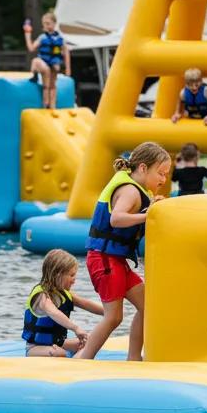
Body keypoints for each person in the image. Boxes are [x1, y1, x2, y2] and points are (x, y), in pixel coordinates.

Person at [77, 141, 171, 361]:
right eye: (161, 173)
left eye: (166, 175)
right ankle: (83, 360)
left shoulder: (138, 190)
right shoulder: (129, 190)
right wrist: (148, 216)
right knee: (113, 317)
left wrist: (152, 207)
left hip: (116, 260)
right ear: (142, 168)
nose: (163, 179)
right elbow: (116, 218)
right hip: (104, 259)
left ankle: (133, 358)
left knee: (148, 305)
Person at [21, 249, 103, 357]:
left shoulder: (65, 294)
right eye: (71, 275)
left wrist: (110, 311)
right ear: (57, 274)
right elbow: (53, 312)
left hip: (59, 343)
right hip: (35, 348)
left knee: (89, 343)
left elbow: (86, 304)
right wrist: (76, 328)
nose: (74, 280)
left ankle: (75, 358)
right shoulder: (41, 295)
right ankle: (74, 360)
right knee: (59, 353)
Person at [23, 11, 71, 109]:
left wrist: (68, 69)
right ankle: (46, 105)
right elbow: (31, 48)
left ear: (54, 24)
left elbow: (66, 53)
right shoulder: (42, 37)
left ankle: (52, 107)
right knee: (46, 79)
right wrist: (27, 34)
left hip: (53, 62)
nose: (46, 26)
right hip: (42, 62)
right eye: (44, 24)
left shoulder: (60, 39)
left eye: (48, 23)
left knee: (52, 85)